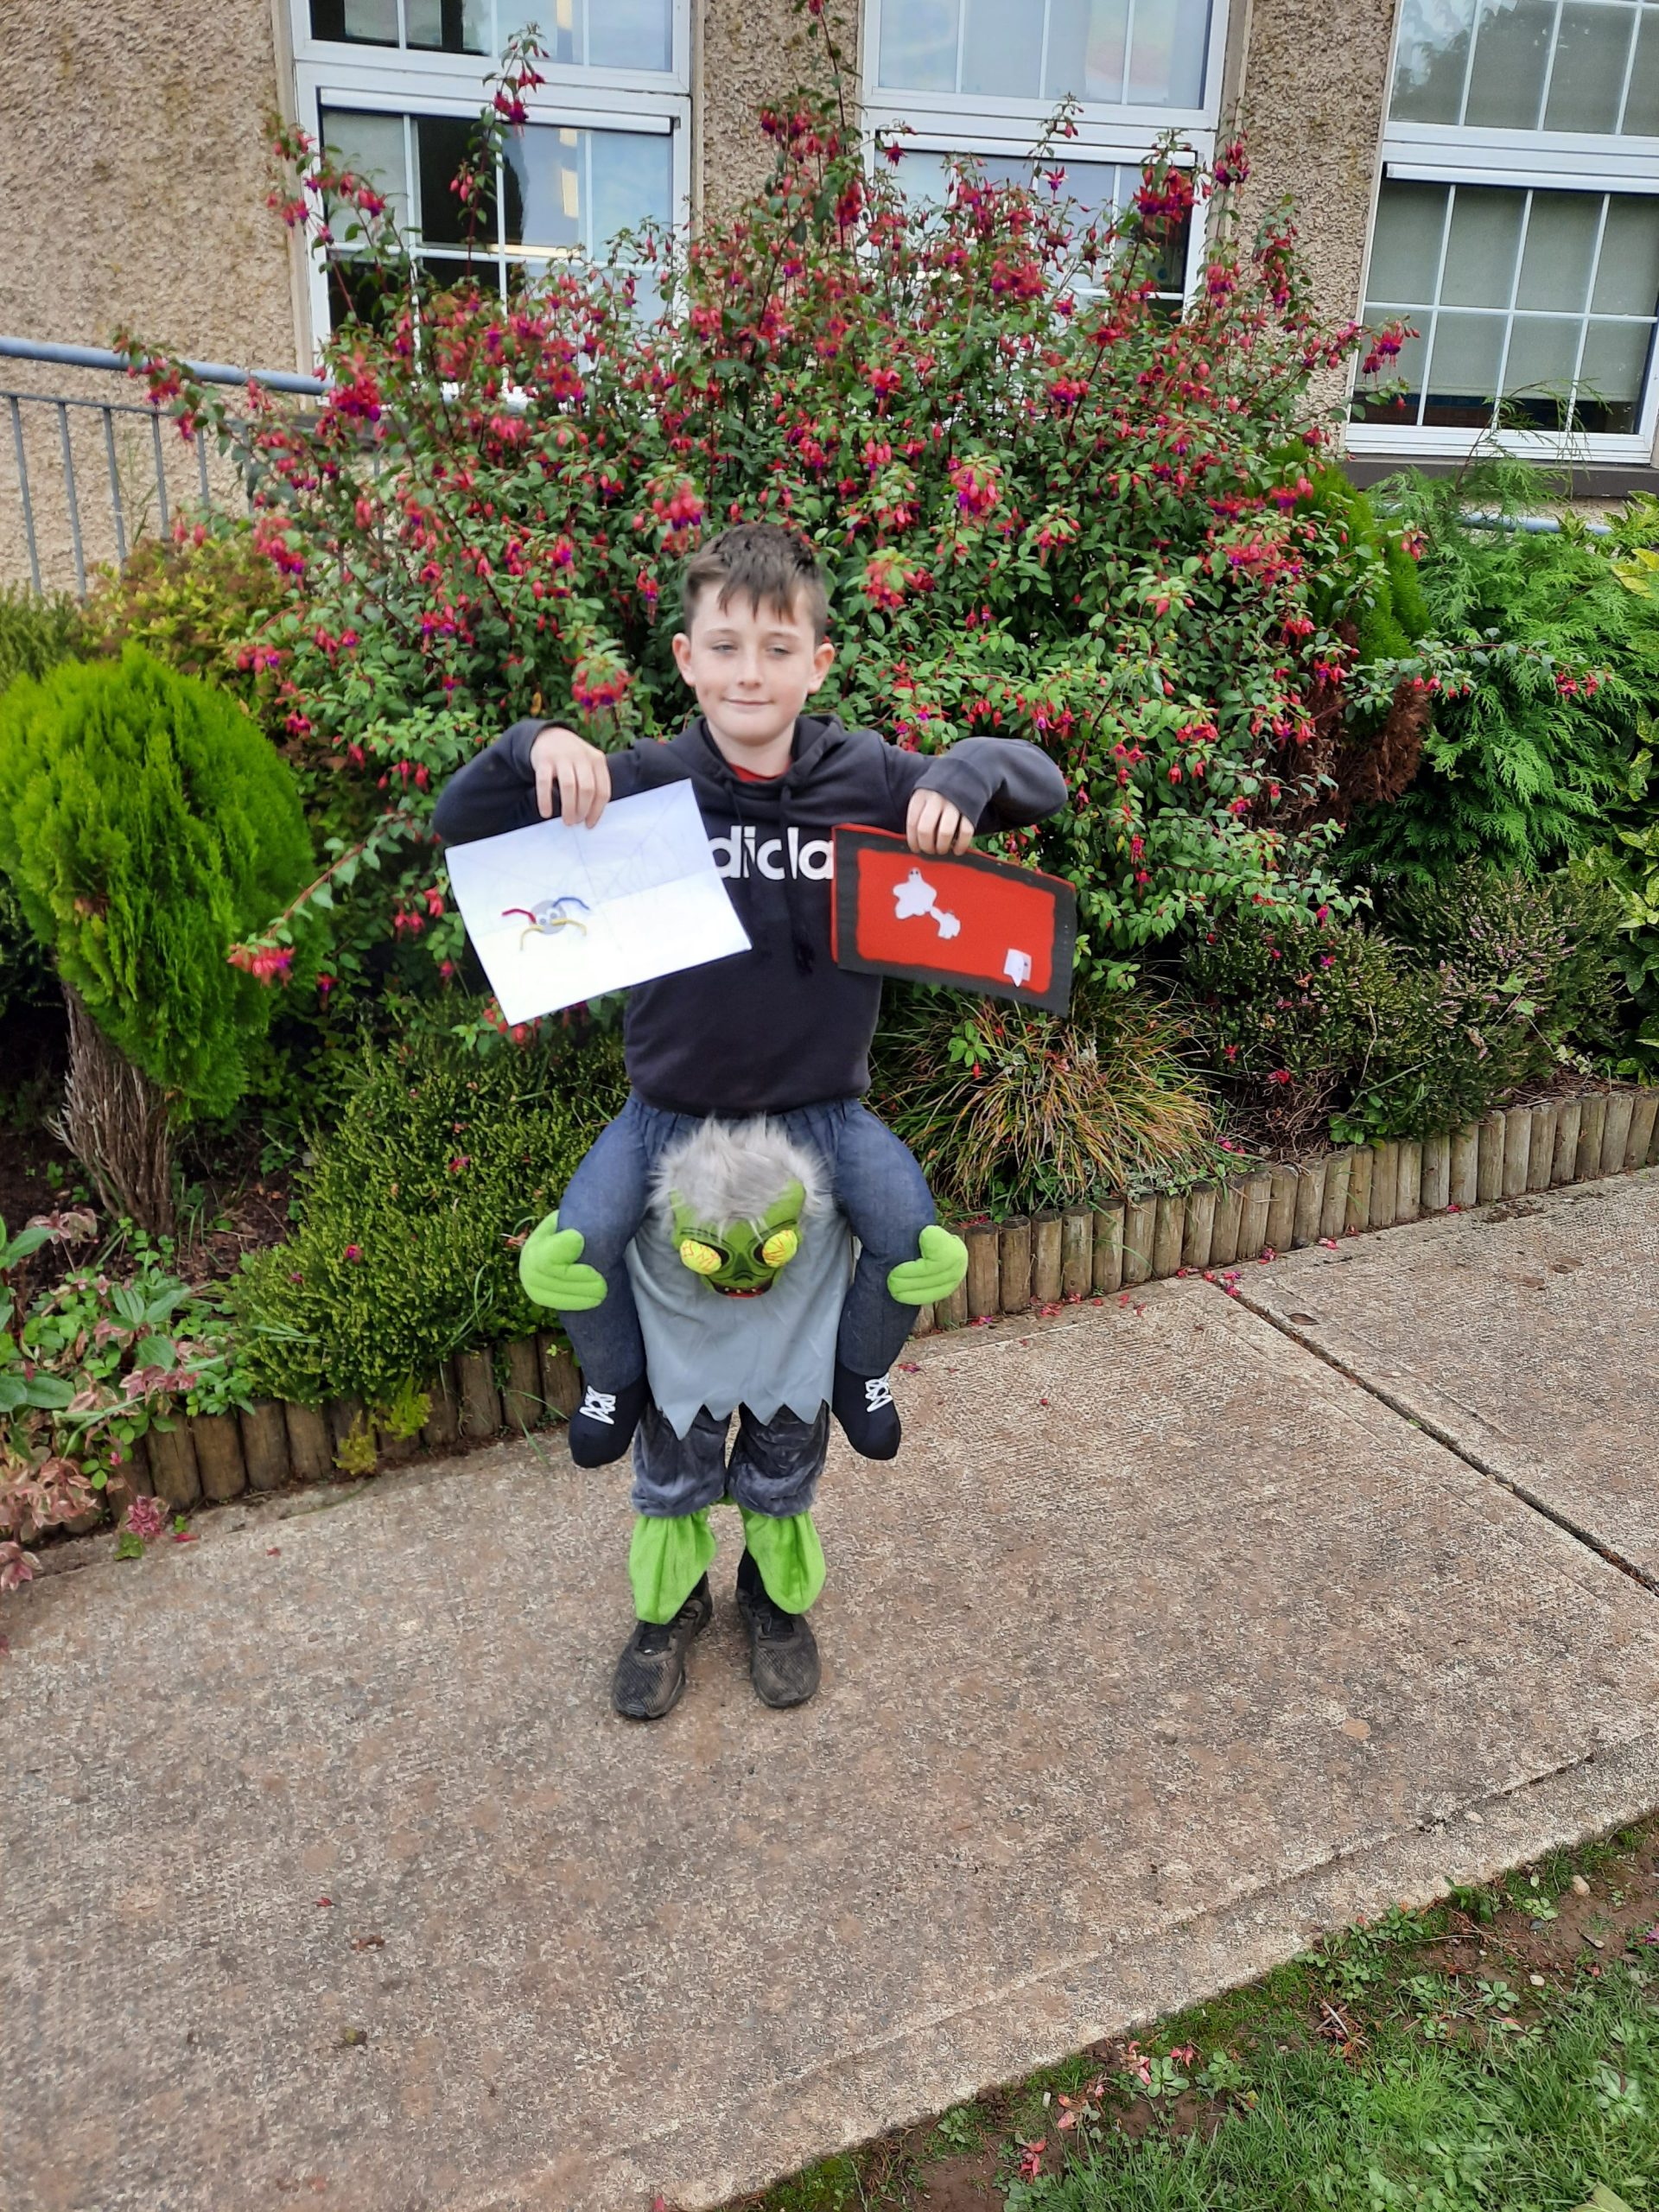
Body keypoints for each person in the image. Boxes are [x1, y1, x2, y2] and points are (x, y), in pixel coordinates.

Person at [433, 523, 1067, 1706]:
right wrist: (537, 743)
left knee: (907, 1244)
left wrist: (967, 774)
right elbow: (458, 822)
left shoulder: (868, 778)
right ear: (686, 657)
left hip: (820, 1121)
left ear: (818, 662)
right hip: (668, 1119)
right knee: (575, 1249)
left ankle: (841, 1432)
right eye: (724, 646)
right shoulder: (640, 785)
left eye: (778, 649)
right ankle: (632, 1459)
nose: (749, 672)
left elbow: (1044, 783)